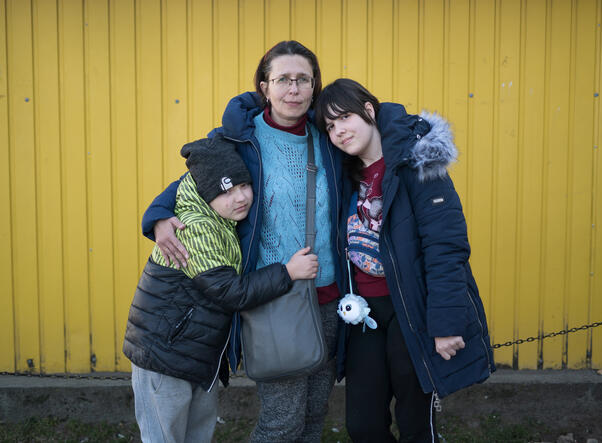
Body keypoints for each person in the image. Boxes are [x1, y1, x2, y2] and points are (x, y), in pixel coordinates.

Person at [140, 41, 344, 442]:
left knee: (315, 415)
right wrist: (159, 216)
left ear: (315, 86)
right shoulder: (240, 139)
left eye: (303, 79)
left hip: (331, 296)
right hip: (272, 298)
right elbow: (191, 179)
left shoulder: (332, 136)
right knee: (281, 422)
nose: (293, 89)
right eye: (283, 79)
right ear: (264, 86)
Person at [315, 78, 495, 443]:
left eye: (344, 118)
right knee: (363, 425)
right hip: (364, 314)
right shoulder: (342, 175)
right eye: (330, 126)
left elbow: (446, 247)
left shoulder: (417, 163)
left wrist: (445, 323)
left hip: (412, 310)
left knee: (415, 423)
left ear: (369, 111)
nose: (338, 132)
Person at [123, 135, 320, 443]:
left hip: (194, 355)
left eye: (243, 186)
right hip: (165, 356)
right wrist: (288, 272)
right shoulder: (194, 228)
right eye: (226, 191)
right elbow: (230, 291)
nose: (239, 198)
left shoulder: (221, 220)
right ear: (205, 194)